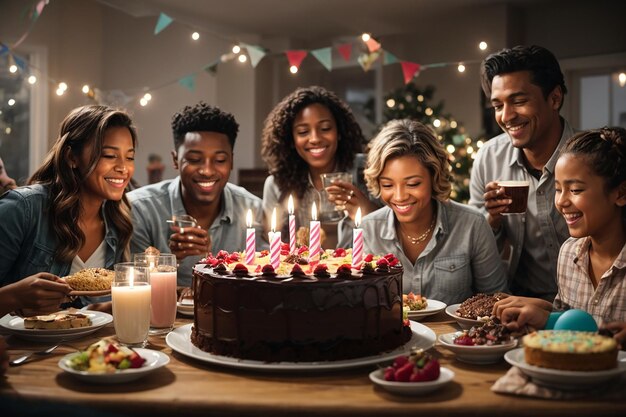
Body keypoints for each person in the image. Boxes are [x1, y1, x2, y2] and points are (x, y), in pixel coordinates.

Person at [493, 127, 626, 347]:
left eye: (575, 190)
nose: (561, 202)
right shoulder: (568, 253)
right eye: (557, 189)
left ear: (620, 194)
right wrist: (546, 316)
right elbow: (571, 322)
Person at [0, 105, 136, 315]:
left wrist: (102, 309)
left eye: (129, 157)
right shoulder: (22, 209)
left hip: (80, 348)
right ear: (72, 157)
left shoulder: (118, 222)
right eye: (109, 155)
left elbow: (80, 315)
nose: (123, 168)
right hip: (17, 347)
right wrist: (14, 297)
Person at [361, 119, 507, 305]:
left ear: (434, 176)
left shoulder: (472, 225)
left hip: (456, 334)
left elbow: (497, 301)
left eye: (413, 184)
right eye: (387, 185)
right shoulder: (368, 229)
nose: (399, 196)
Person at [469, 45, 573, 301]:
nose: (507, 116)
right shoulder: (489, 158)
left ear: (555, 98)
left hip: (582, 304)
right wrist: (491, 221)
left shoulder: (589, 158)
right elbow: (474, 247)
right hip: (516, 300)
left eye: (519, 101)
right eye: (497, 105)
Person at [128, 102, 265, 287]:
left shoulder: (254, 209)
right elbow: (131, 288)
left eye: (219, 160)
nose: (207, 171)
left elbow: (265, 283)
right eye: (194, 159)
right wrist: (170, 260)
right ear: (175, 159)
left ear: (231, 161)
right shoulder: (140, 209)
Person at [261, 86, 378, 248]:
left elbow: (396, 231)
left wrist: (367, 210)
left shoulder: (367, 170)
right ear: (291, 139)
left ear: (339, 131)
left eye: (325, 129)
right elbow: (269, 244)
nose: (315, 138)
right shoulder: (277, 185)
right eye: (303, 132)